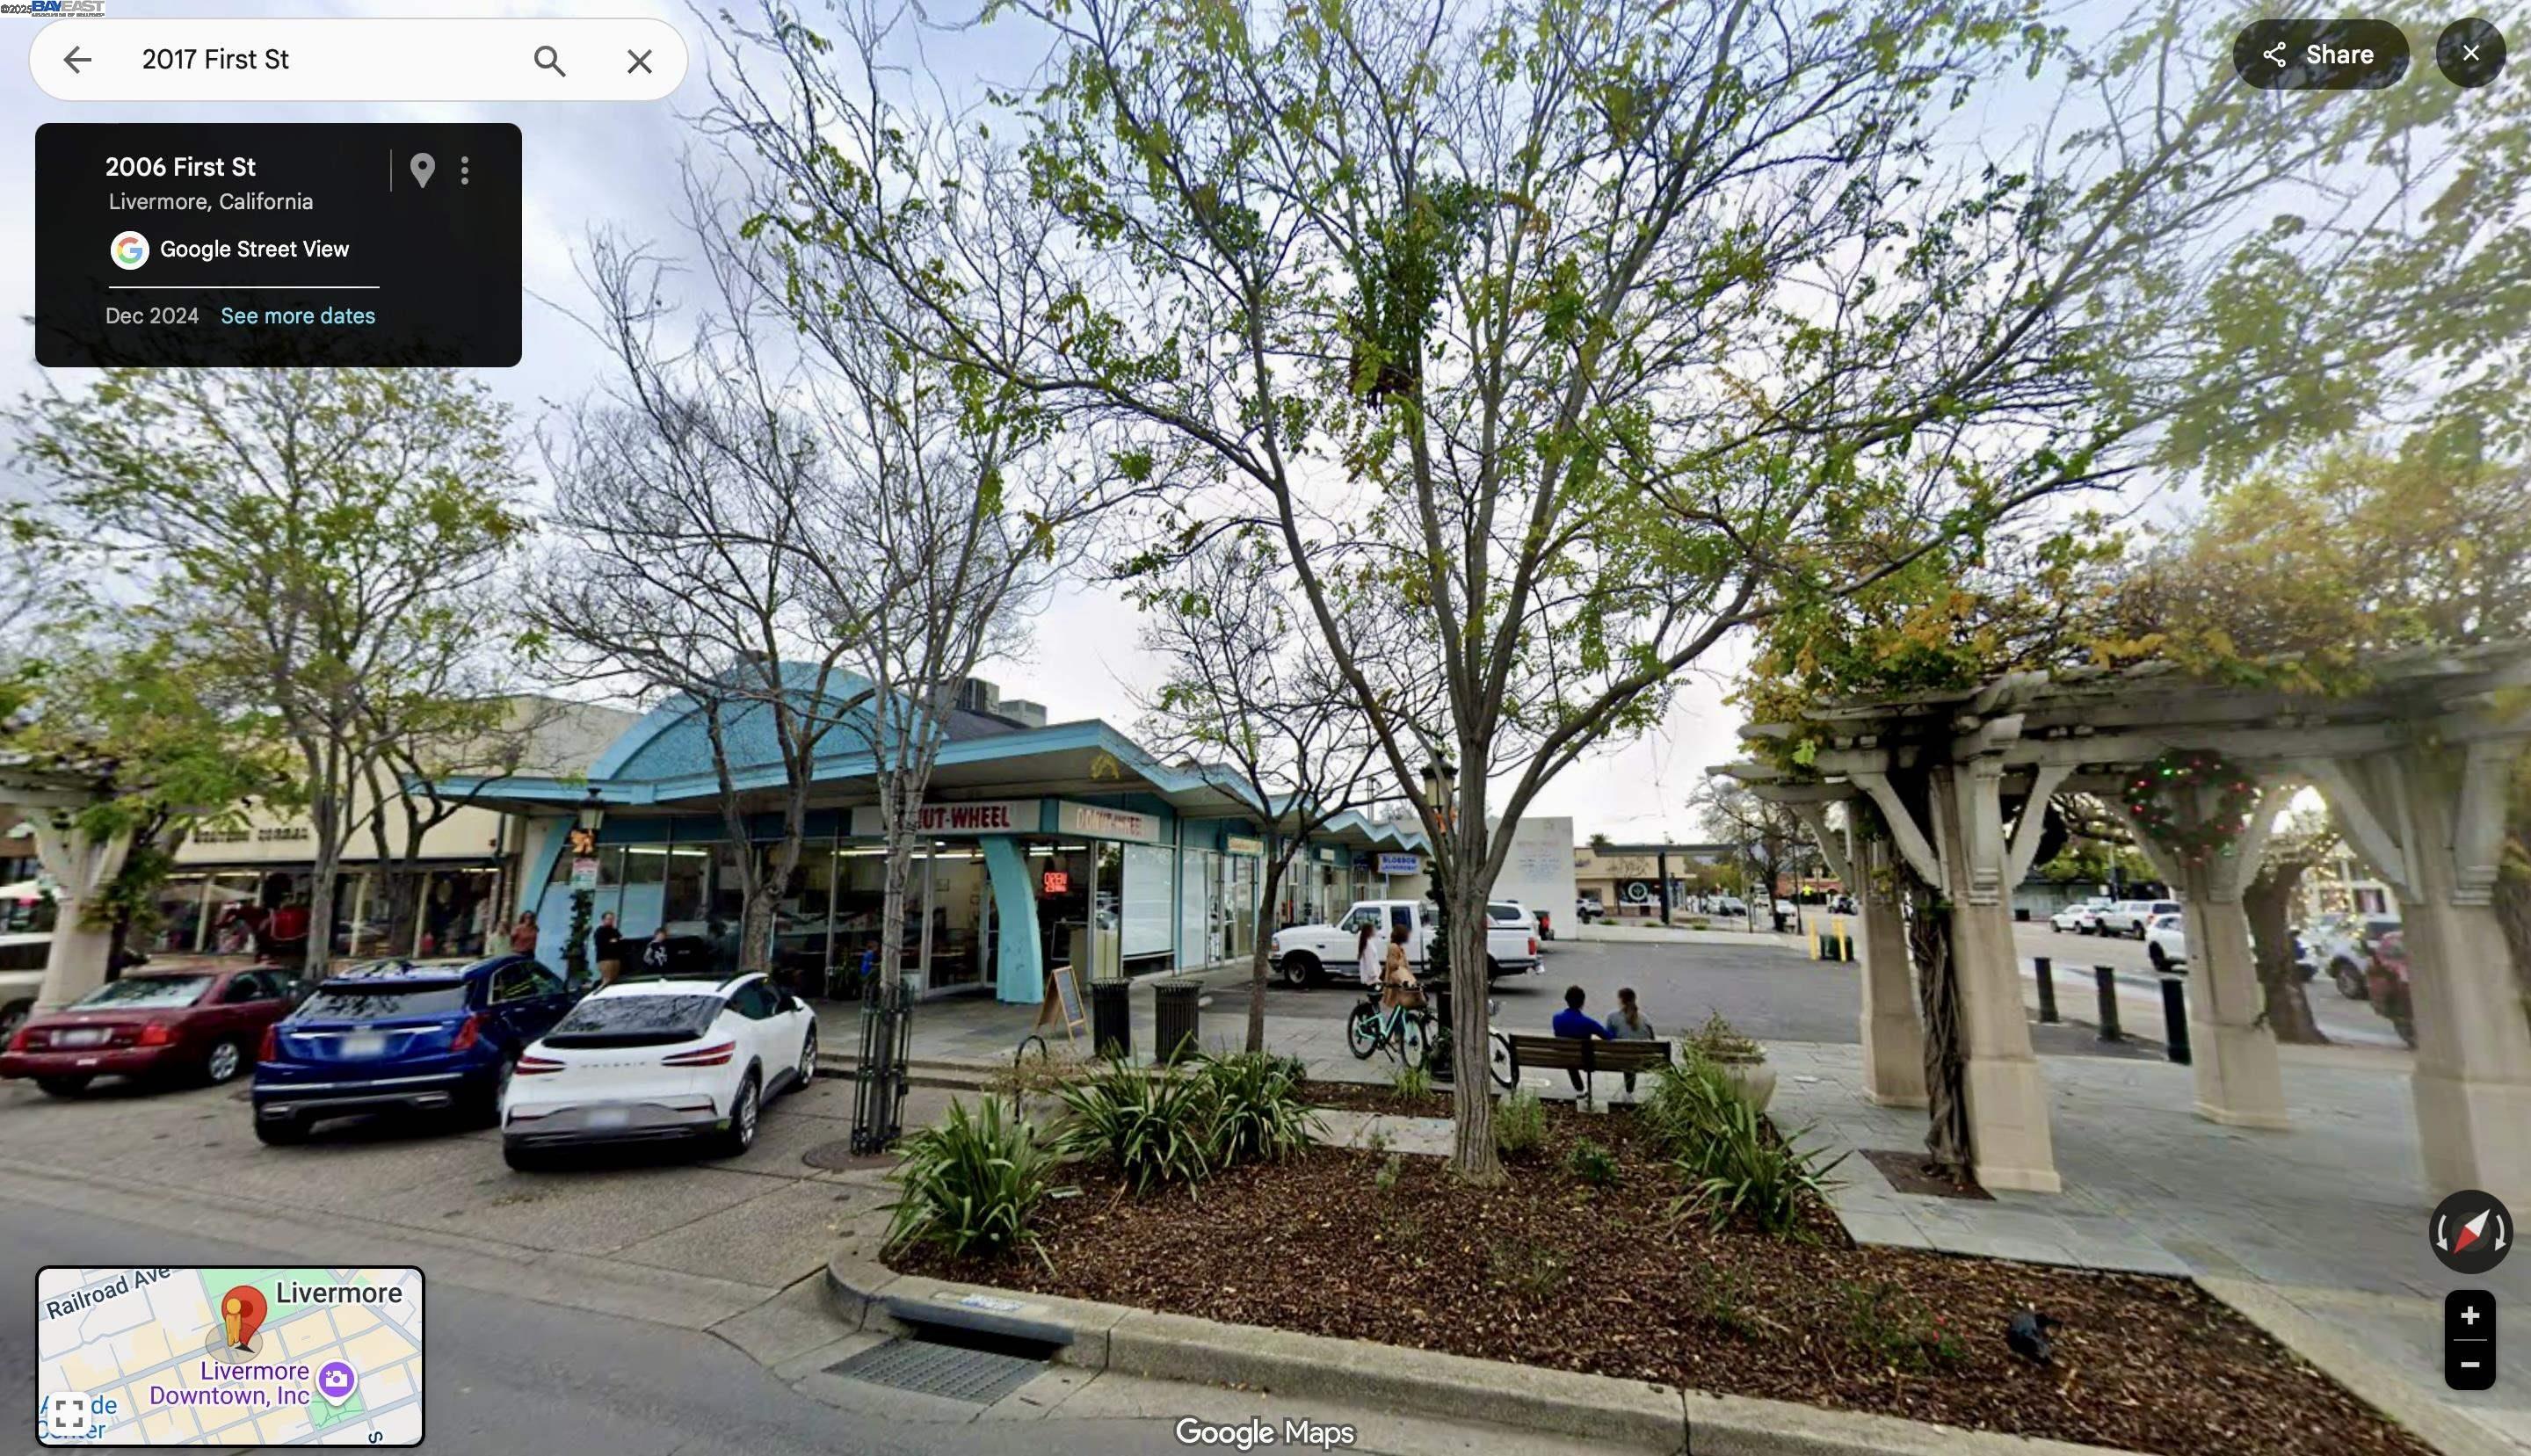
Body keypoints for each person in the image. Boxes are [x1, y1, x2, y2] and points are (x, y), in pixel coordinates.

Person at [1550, 984, 1607, 1093]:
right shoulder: (1588, 1022)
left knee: (1570, 1056)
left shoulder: (1556, 1018)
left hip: (1564, 1056)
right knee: (1582, 1053)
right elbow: (1608, 1037)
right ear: (1583, 1002)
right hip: (1586, 1060)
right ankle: (1582, 1091)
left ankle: (1579, 1089)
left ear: (1566, 1000)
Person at [1603, 986, 1655, 1098]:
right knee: (1631, 1055)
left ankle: (1629, 1093)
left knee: (1626, 1054)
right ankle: (1629, 1093)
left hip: (1619, 1059)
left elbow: (1607, 1039)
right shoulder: (1645, 1019)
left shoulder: (1612, 1017)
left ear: (1621, 1000)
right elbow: (1653, 1040)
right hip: (1641, 1059)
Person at [1379, 924, 1416, 1009]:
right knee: (1400, 1006)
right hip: (1396, 983)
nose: (1408, 936)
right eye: (1406, 934)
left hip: (1400, 983)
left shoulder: (1399, 948)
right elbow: (1393, 965)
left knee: (1401, 1007)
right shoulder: (1393, 947)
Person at [592, 911, 624, 986]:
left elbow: (620, 940)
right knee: (607, 979)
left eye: (612, 919)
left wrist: (615, 941)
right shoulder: (600, 931)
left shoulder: (614, 931)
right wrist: (613, 941)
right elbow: (602, 944)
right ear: (604, 920)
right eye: (609, 919)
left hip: (615, 957)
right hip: (605, 958)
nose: (611, 921)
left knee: (614, 979)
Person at [1355, 920, 1381, 989]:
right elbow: (1370, 961)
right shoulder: (1368, 944)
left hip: (1373, 977)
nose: (1375, 931)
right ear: (1369, 931)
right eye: (1374, 929)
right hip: (1372, 978)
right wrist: (1374, 975)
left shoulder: (1369, 941)